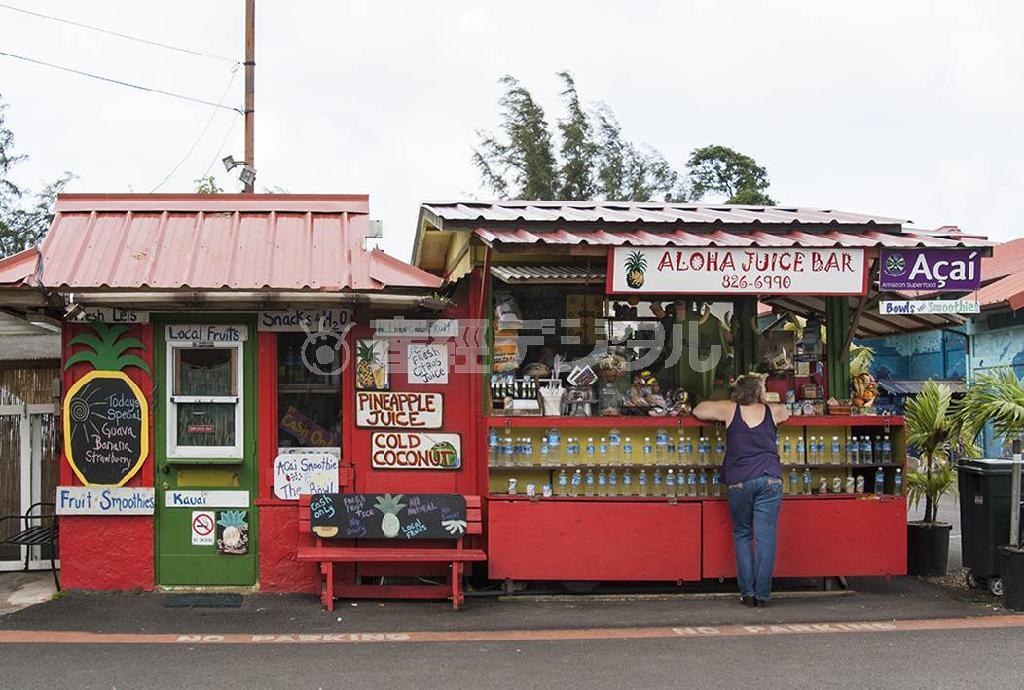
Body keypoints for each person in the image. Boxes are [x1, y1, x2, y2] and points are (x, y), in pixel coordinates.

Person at [692, 374, 790, 607]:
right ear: (759, 391)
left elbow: (698, 410)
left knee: (743, 535)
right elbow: (787, 411)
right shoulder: (772, 411)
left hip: (739, 482)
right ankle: (763, 595)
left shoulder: (729, 409)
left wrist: (731, 398)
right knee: (766, 538)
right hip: (769, 480)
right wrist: (765, 399)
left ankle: (748, 593)